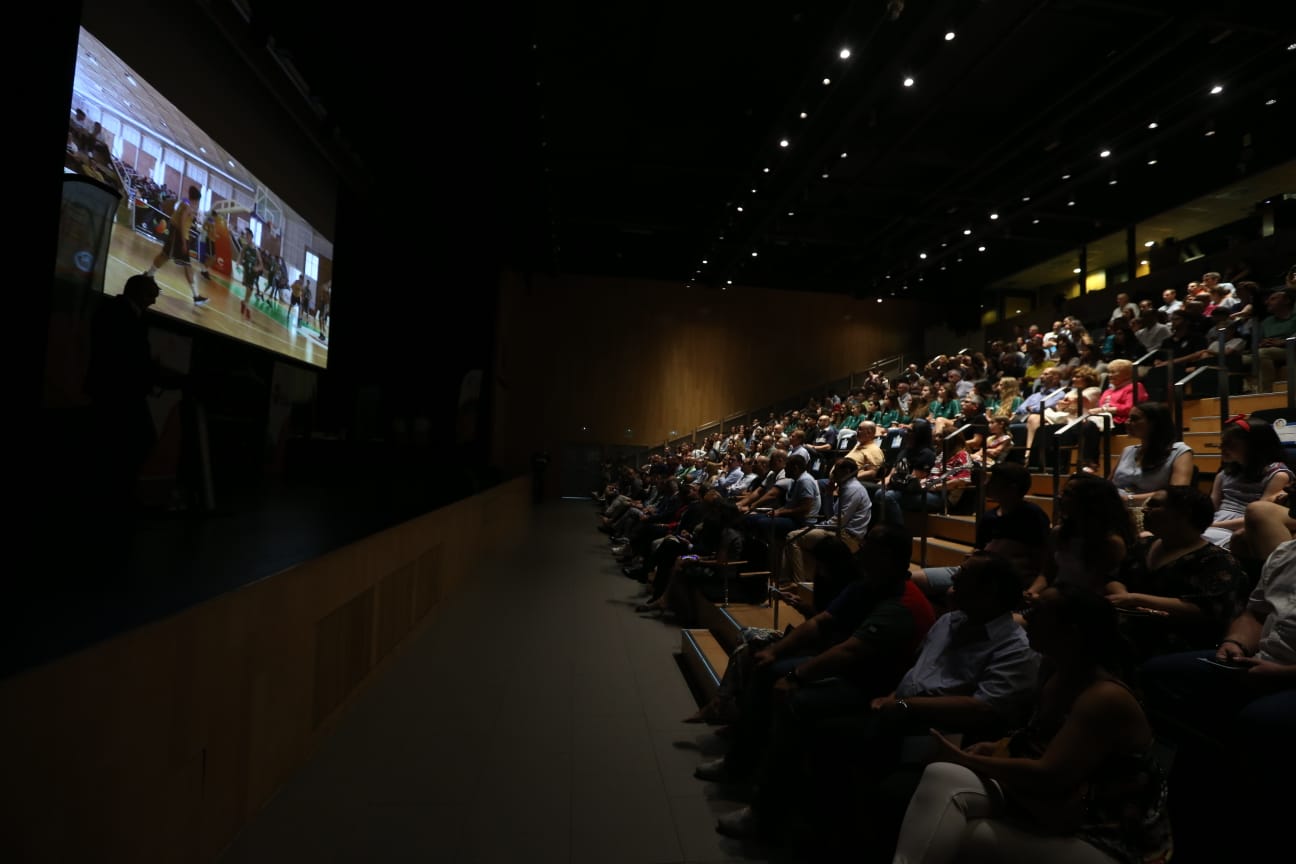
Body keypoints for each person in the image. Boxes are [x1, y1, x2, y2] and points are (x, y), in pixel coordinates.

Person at [891, 582, 1171, 864]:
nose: (1028, 616)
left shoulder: (1103, 697)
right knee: (940, 774)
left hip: (1108, 838)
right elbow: (1037, 740)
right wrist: (995, 747)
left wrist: (966, 758)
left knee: (956, 833)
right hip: (1050, 808)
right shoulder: (1055, 672)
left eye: (1039, 611)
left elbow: (1048, 774)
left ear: (1070, 631)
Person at [1203, 419, 1293, 548]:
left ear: (1254, 445)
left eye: (1230, 444)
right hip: (1215, 524)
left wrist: (1213, 525)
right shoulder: (1224, 474)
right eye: (1222, 442)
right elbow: (1211, 508)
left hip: (1245, 528)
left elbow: (1260, 516)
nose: (1221, 448)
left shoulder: (1278, 475)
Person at [146, 185, 208, 306]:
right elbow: (182, 220)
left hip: (174, 233)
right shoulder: (188, 207)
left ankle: (148, 276)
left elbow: (174, 215)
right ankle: (196, 296)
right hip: (179, 237)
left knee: (164, 256)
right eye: (198, 201)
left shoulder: (182, 204)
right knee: (187, 265)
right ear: (196, 199)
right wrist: (184, 242)